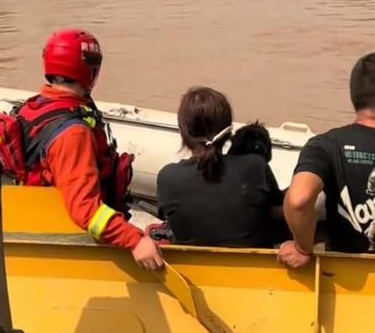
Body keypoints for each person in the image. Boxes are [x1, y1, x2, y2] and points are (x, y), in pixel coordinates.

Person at [0, 30, 162, 270]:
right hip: (69, 235)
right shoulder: (73, 134)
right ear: (89, 72)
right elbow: (86, 211)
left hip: (38, 217)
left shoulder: (35, 107)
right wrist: (135, 240)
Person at [278, 53, 375, 267]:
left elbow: (299, 200)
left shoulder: (326, 145)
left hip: (346, 275)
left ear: (354, 95)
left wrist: (302, 248)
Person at [157, 86, 283, 248]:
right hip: (251, 270)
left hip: (189, 270)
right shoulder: (255, 166)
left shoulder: (168, 178)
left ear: (183, 132)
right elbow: (279, 210)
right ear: (228, 130)